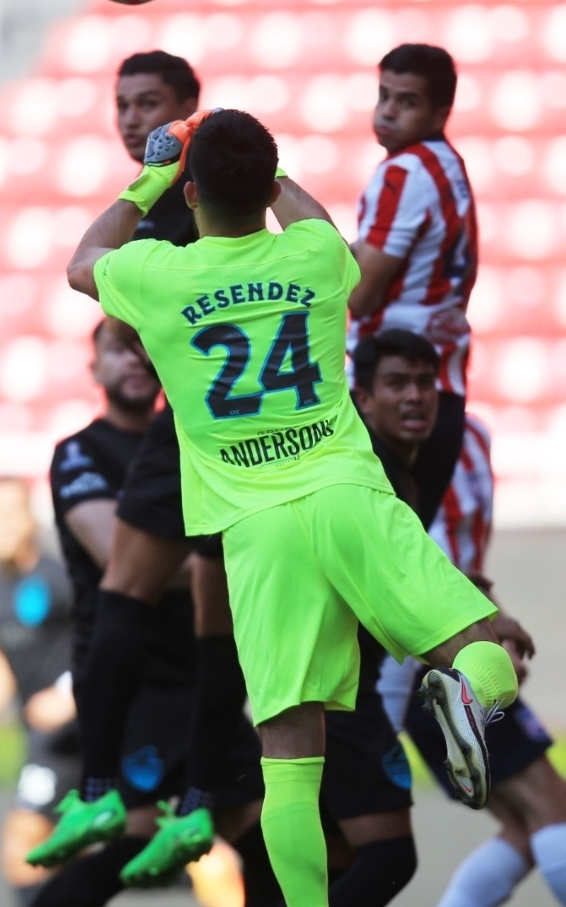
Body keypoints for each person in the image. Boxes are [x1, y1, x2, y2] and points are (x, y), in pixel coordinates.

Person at [62, 106, 519, 907]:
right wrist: (265, 172)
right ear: (267, 183)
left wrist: (154, 177)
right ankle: (468, 696)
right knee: (484, 646)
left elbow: (82, 260)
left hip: (257, 528)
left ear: (194, 191)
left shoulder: (157, 275)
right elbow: (316, 223)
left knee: (288, 755)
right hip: (346, 492)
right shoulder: (312, 256)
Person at [28, 51, 257, 888]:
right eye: (122, 104)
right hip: (240, 438)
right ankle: (191, 794)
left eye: (150, 106)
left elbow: (89, 267)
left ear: (190, 115)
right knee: (211, 619)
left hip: (201, 431)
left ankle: (102, 786)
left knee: (135, 588)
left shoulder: (177, 208)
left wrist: (153, 182)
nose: (132, 120)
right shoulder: (220, 202)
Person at [348, 355, 566, 907]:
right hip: (433, 661)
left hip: (445, 649)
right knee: (548, 807)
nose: (417, 396)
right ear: (365, 397)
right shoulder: (370, 465)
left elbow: (448, 563)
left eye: (426, 380)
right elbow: (419, 568)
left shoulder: (462, 441)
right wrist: (487, 633)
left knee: (529, 822)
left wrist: (493, 621)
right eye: (398, 383)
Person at [33, 321, 279, 907]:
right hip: (132, 685)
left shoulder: (192, 446)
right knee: (163, 828)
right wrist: (238, 564)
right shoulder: (80, 454)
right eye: (118, 350)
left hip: (196, 672)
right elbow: (123, 560)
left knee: (253, 816)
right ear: (94, 369)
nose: (136, 361)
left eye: (146, 346)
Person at [349, 43, 477, 528]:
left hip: (393, 389)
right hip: (442, 385)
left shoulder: (403, 173)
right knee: (404, 558)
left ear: (441, 112)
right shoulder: (449, 164)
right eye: (383, 96)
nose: (387, 112)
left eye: (407, 102)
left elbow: (361, 297)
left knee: (370, 560)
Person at [0, 477, 79, 907]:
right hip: (40, 739)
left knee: (23, 845)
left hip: (75, 738)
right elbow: (1, 659)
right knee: (62, 858)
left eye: (14, 513)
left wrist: (70, 694)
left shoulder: (60, 580)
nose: (4, 524)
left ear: (32, 522)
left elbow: (107, 641)